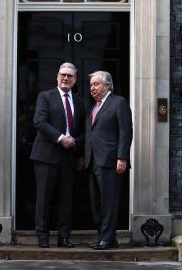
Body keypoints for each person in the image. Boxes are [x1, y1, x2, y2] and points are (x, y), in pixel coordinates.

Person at [31, 62, 86, 248]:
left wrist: (79, 150)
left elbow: (84, 130)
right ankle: (43, 237)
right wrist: (61, 138)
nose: (66, 78)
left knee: (66, 200)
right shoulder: (45, 96)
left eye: (70, 76)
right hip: (46, 155)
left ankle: (64, 237)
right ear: (57, 77)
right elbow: (39, 121)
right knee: (43, 198)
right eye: (63, 74)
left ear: (75, 79)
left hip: (70, 157)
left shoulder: (79, 101)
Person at [85, 70, 132, 250]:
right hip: (93, 161)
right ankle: (106, 237)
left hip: (111, 161)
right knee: (97, 203)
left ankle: (107, 238)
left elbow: (125, 132)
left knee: (109, 202)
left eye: (96, 84)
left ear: (107, 85)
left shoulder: (119, 103)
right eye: (91, 85)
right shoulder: (93, 106)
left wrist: (122, 157)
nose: (92, 88)